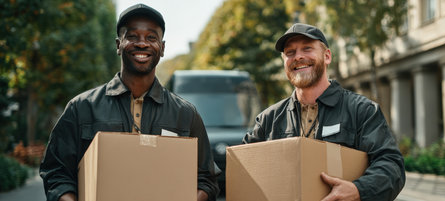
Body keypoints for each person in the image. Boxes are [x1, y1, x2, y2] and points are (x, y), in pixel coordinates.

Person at [39, 4, 219, 201]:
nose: (142, 44)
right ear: (118, 45)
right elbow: (56, 174)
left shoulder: (185, 114)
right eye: (132, 36)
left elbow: (206, 180)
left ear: (162, 48)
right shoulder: (81, 108)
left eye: (151, 38)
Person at [243, 23, 405, 201]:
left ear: (327, 56)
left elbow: (391, 166)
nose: (298, 57)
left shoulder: (362, 110)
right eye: (290, 52)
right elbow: (243, 166)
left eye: (307, 48)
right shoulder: (268, 119)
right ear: (284, 62)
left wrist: (359, 190)